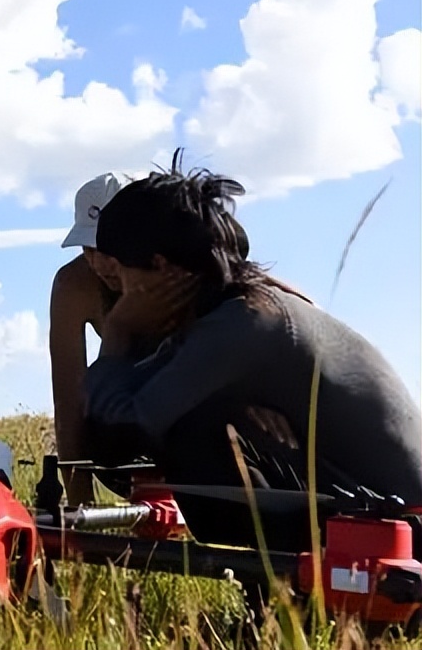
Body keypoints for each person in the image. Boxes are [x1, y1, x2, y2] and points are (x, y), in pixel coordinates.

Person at [84, 155, 422, 548]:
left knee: (189, 434)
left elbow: (119, 437)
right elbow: (110, 433)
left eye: (123, 274)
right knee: (197, 420)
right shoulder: (235, 312)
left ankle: (274, 588)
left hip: (399, 527)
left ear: (159, 267)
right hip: (373, 513)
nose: (120, 290)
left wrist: (117, 333)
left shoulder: (244, 323)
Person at [49, 173, 124, 504]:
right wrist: (81, 508)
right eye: (90, 248)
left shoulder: (182, 272)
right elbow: (69, 400)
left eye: (112, 249)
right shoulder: (73, 285)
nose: (100, 261)